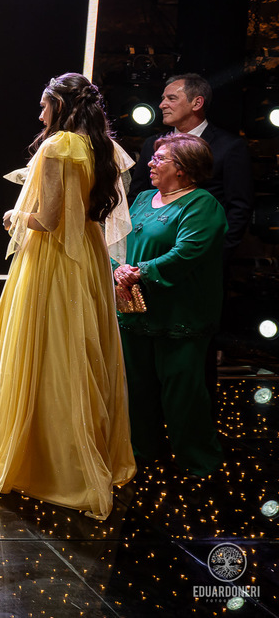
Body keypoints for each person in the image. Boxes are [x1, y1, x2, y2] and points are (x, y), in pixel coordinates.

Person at [0, 73, 135, 521]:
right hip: (88, 260)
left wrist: (15, 215)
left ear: (61, 106)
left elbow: (49, 220)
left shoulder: (58, 147)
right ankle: (87, 453)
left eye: (44, 105)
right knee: (81, 349)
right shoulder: (104, 148)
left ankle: (46, 461)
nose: (39, 114)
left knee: (46, 352)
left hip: (52, 263)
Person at [114, 133, 225, 476]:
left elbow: (188, 251)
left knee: (183, 393)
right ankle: (142, 454)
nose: (150, 162)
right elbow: (119, 240)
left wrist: (140, 271)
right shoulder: (145, 198)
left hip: (180, 314)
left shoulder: (202, 204)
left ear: (184, 169)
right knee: (137, 389)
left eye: (160, 158)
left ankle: (198, 462)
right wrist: (118, 268)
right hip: (134, 309)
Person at [127, 73, 252, 256]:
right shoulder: (152, 144)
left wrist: (219, 251)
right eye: (162, 99)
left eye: (171, 98)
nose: (162, 105)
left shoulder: (230, 146)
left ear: (197, 103)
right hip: (150, 251)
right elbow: (137, 197)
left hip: (204, 252)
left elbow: (240, 207)